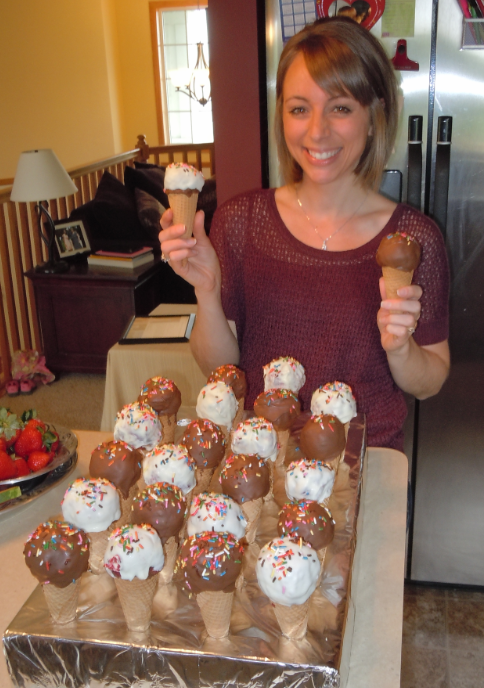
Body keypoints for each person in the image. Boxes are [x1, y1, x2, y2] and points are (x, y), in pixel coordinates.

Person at [159, 17, 450, 451]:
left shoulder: (413, 239)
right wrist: (207, 291)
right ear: (282, 117)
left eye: (340, 108)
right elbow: (217, 367)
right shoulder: (241, 222)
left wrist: (400, 348)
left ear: (374, 116)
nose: (317, 130)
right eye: (299, 109)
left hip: (363, 461)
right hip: (261, 460)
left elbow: (430, 382)